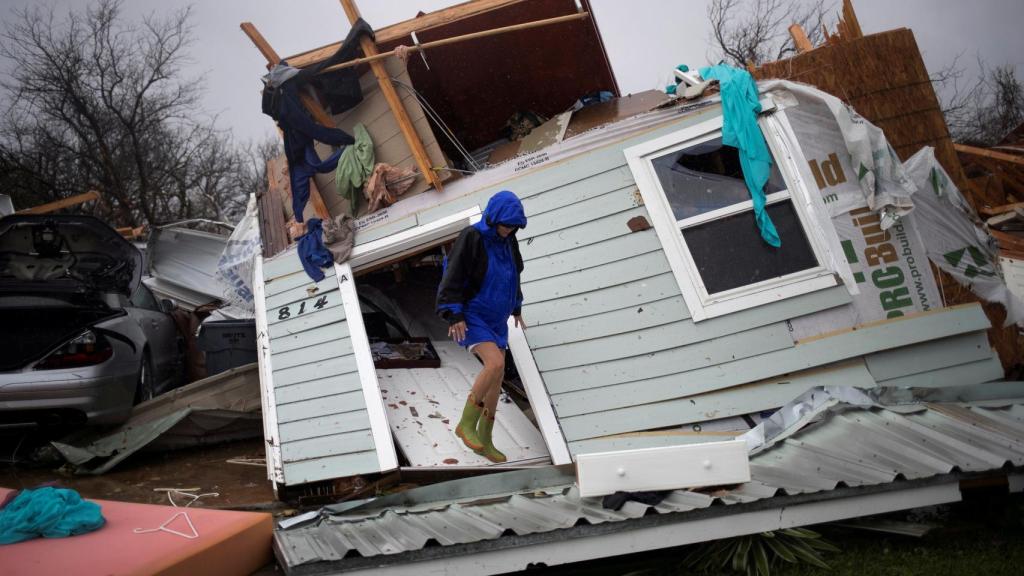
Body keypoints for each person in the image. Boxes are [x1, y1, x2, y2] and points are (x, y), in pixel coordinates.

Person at [436, 191, 527, 463]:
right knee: (495, 364)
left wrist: (517, 306)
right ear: (493, 217)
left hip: (497, 319)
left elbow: (513, 275)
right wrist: (453, 313)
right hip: (472, 313)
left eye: (513, 226)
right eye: (505, 224)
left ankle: (486, 438)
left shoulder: (509, 240)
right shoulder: (472, 236)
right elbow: (452, 273)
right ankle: (466, 424)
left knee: (496, 379)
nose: (508, 230)